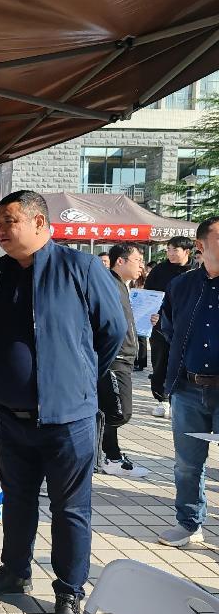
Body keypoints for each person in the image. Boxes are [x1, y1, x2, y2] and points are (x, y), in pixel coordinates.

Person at [0, 191, 126, 614]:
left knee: (70, 509)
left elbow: (113, 332)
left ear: (39, 223)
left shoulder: (81, 268)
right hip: (11, 416)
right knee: (17, 501)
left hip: (68, 420)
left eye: (9, 221)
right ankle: (14, 571)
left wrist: (77, 377)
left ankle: (70, 591)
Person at [156, 216, 219, 547]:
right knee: (187, 464)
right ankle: (189, 523)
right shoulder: (181, 285)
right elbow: (168, 329)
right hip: (188, 388)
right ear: (200, 245)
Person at [98, 244, 149, 478]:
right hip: (114, 358)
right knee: (119, 412)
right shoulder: (108, 285)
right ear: (120, 261)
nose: (142, 266)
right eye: (137, 260)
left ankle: (111, 456)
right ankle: (109, 457)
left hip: (123, 357)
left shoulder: (122, 286)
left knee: (109, 410)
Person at [145, 236, 194, 418]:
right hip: (159, 325)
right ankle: (162, 400)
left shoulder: (196, 271)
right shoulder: (159, 270)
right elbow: (147, 295)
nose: (171, 253)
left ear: (187, 251)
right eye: (168, 250)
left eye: (175, 250)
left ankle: (178, 400)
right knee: (160, 362)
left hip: (186, 327)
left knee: (183, 363)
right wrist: (152, 315)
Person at [133, 264, 149, 371]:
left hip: (142, 312)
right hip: (132, 311)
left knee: (142, 339)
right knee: (132, 338)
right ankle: (133, 361)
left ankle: (142, 363)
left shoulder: (145, 282)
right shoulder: (129, 280)